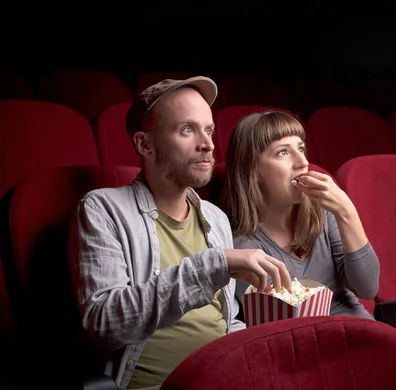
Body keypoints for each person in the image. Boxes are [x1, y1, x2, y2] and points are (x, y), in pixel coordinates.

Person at [70, 77, 292, 390]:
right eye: (187, 129)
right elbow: (105, 323)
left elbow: (225, 322)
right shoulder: (103, 208)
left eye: (209, 130)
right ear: (145, 144)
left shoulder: (215, 219)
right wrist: (211, 266)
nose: (208, 144)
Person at [223, 111, 379, 319]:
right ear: (253, 169)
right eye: (282, 152)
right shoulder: (241, 246)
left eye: (301, 148)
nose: (302, 162)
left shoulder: (325, 213)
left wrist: (346, 212)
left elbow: (367, 288)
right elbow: (284, 324)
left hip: (364, 331)